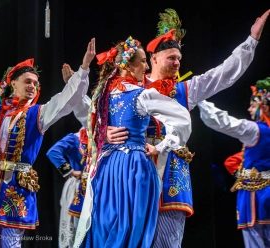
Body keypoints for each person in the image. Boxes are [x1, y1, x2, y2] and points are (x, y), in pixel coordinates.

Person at [105, 9, 270, 247]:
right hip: (131, 171)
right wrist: (106, 133)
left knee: (168, 241)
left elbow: (224, 75)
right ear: (153, 58)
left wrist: (251, 41)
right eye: (171, 57)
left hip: (171, 173)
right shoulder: (128, 87)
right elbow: (99, 116)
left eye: (179, 58)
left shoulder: (186, 90)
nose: (177, 62)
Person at [73, 36, 191, 248]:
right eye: (143, 61)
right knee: (130, 229)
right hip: (133, 166)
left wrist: (103, 133)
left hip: (107, 166)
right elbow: (182, 120)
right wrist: (161, 147)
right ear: (127, 65)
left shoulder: (103, 95)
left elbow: (87, 119)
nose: (146, 66)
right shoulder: (143, 95)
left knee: (106, 226)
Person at [0, 38, 95, 248]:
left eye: (35, 83)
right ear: (13, 83)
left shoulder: (37, 114)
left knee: (9, 244)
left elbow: (65, 101)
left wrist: (84, 69)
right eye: (27, 81)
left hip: (16, 186)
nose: (33, 86)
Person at [197, 77, 270, 248]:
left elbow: (222, 121)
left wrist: (198, 98)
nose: (249, 109)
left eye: (253, 105)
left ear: (263, 107)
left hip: (256, 196)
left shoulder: (255, 131)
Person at [46, 64, 92, 248]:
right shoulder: (75, 138)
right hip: (77, 185)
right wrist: (70, 171)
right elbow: (53, 152)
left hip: (94, 184)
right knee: (74, 228)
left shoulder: (101, 137)